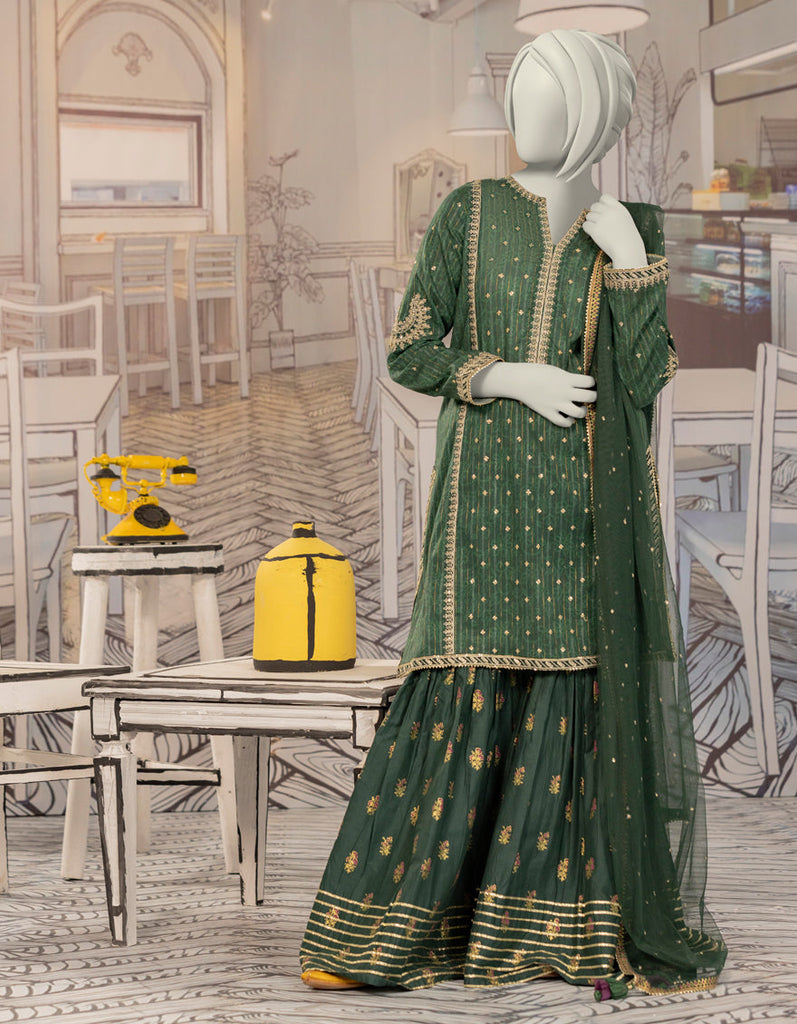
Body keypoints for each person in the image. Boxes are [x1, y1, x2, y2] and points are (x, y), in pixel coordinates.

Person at [300, 28, 726, 995]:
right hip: (484, 496)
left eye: (545, 94)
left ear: (590, 111)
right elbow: (411, 349)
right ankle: (390, 932)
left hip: (583, 502)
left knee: (570, 688)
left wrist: (632, 267)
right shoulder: (470, 210)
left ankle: (544, 932)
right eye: (519, 91)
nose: (523, 112)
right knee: (464, 675)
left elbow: (644, 377)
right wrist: (507, 376)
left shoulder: (635, 224)